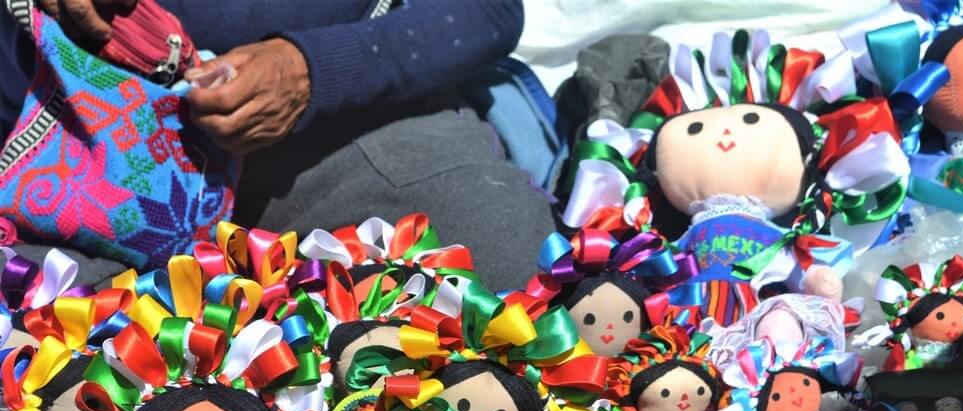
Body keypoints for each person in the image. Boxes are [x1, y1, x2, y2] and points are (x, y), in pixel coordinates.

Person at [3, 0, 553, 290]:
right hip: (62, 148)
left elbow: (487, 12)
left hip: (339, 131)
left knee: (510, 268)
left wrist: (309, 72)